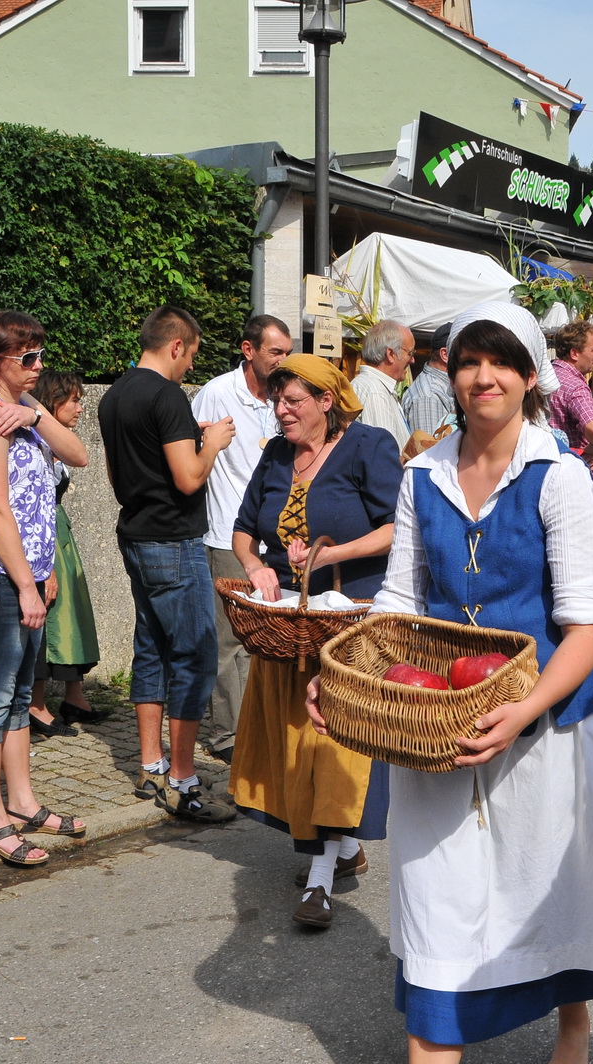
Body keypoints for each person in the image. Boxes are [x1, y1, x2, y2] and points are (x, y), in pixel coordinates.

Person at [310, 305, 593, 1064]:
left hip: (546, 722)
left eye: (501, 362)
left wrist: (525, 708)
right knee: (436, 903)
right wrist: (343, 673)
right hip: (434, 723)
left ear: (531, 377)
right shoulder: (422, 474)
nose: (482, 376)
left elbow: (585, 623)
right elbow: (398, 600)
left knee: (552, 886)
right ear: (451, 374)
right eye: (468, 362)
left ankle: (572, 1020)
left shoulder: (558, 476)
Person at [227, 355, 400, 927]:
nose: (281, 411)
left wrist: (332, 555)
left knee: (333, 745)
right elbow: (243, 529)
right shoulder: (277, 453)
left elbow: (398, 527)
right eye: (277, 401)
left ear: (327, 401)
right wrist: (255, 567)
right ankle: (344, 850)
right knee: (298, 744)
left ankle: (319, 882)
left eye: (293, 401)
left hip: (350, 620)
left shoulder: (368, 447)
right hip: (288, 622)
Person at [0, 312, 90, 865]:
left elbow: (78, 454)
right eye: (26, 358)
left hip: (26, 575)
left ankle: (22, 802)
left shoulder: (25, 411)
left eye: (39, 355)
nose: (38, 366)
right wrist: (25, 587)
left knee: (16, 696)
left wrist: (34, 413)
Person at [98, 305, 237, 822]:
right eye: (192, 354)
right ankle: (183, 782)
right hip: (174, 541)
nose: (191, 366)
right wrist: (211, 445)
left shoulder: (114, 395)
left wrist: (185, 439)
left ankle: (150, 766)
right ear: (176, 345)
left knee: (152, 648)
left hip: (135, 535)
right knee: (194, 655)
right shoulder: (167, 396)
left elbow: (117, 477)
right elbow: (188, 478)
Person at [191, 315, 294, 763]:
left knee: (265, 638)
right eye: (276, 352)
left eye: (288, 352)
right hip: (226, 534)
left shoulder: (283, 398)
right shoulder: (217, 393)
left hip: (273, 538)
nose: (283, 360)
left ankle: (255, 726)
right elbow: (190, 451)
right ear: (248, 351)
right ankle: (227, 735)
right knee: (229, 640)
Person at [25, 372, 107, 734]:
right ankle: (35, 704)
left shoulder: (58, 443)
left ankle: (75, 696)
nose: (79, 408)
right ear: (52, 402)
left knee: (74, 616)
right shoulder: (34, 443)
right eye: (72, 400)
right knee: (50, 616)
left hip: (61, 536)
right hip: (44, 536)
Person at [548, 320, 593, 475]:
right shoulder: (576, 386)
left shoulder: (546, 376)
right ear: (574, 354)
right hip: (575, 472)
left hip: (549, 464)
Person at [351, 320, 414, 449]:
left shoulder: (376, 388)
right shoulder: (375, 392)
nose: (412, 360)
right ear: (391, 354)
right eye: (410, 353)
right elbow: (383, 454)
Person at [401, 322, 455, 438]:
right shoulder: (428, 397)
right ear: (445, 354)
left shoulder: (440, 389)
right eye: (464, 351)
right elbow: (427, 446)